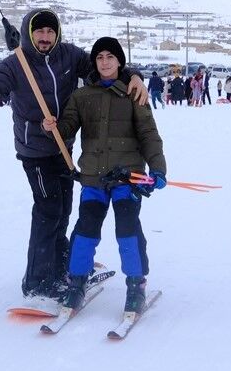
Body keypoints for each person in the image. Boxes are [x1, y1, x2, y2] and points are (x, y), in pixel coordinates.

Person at [0, 8, 148, 306]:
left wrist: (134, 76)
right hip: (35, 151)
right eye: (39, 31)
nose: (45, 36)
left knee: (63, 209)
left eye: (50, 31)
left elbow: (101, 70)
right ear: (29, 33)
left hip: (64, 146)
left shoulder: (69, 56)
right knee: (48, 209)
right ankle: (38, 282)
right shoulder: (16, 64)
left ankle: (62, 265)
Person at [41, 36, 166, 314]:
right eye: (99, 57)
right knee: (85, 230)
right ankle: (76, 283)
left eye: (110, 57)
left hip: (127, 179)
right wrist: (53, 128)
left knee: (127, 230)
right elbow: (67, 130)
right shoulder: (82, 96)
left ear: (119, 61)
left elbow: (149, 135)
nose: (105, 62)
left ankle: (136, 285)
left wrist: (157, 168)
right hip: (94, 178)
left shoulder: (135, 93)